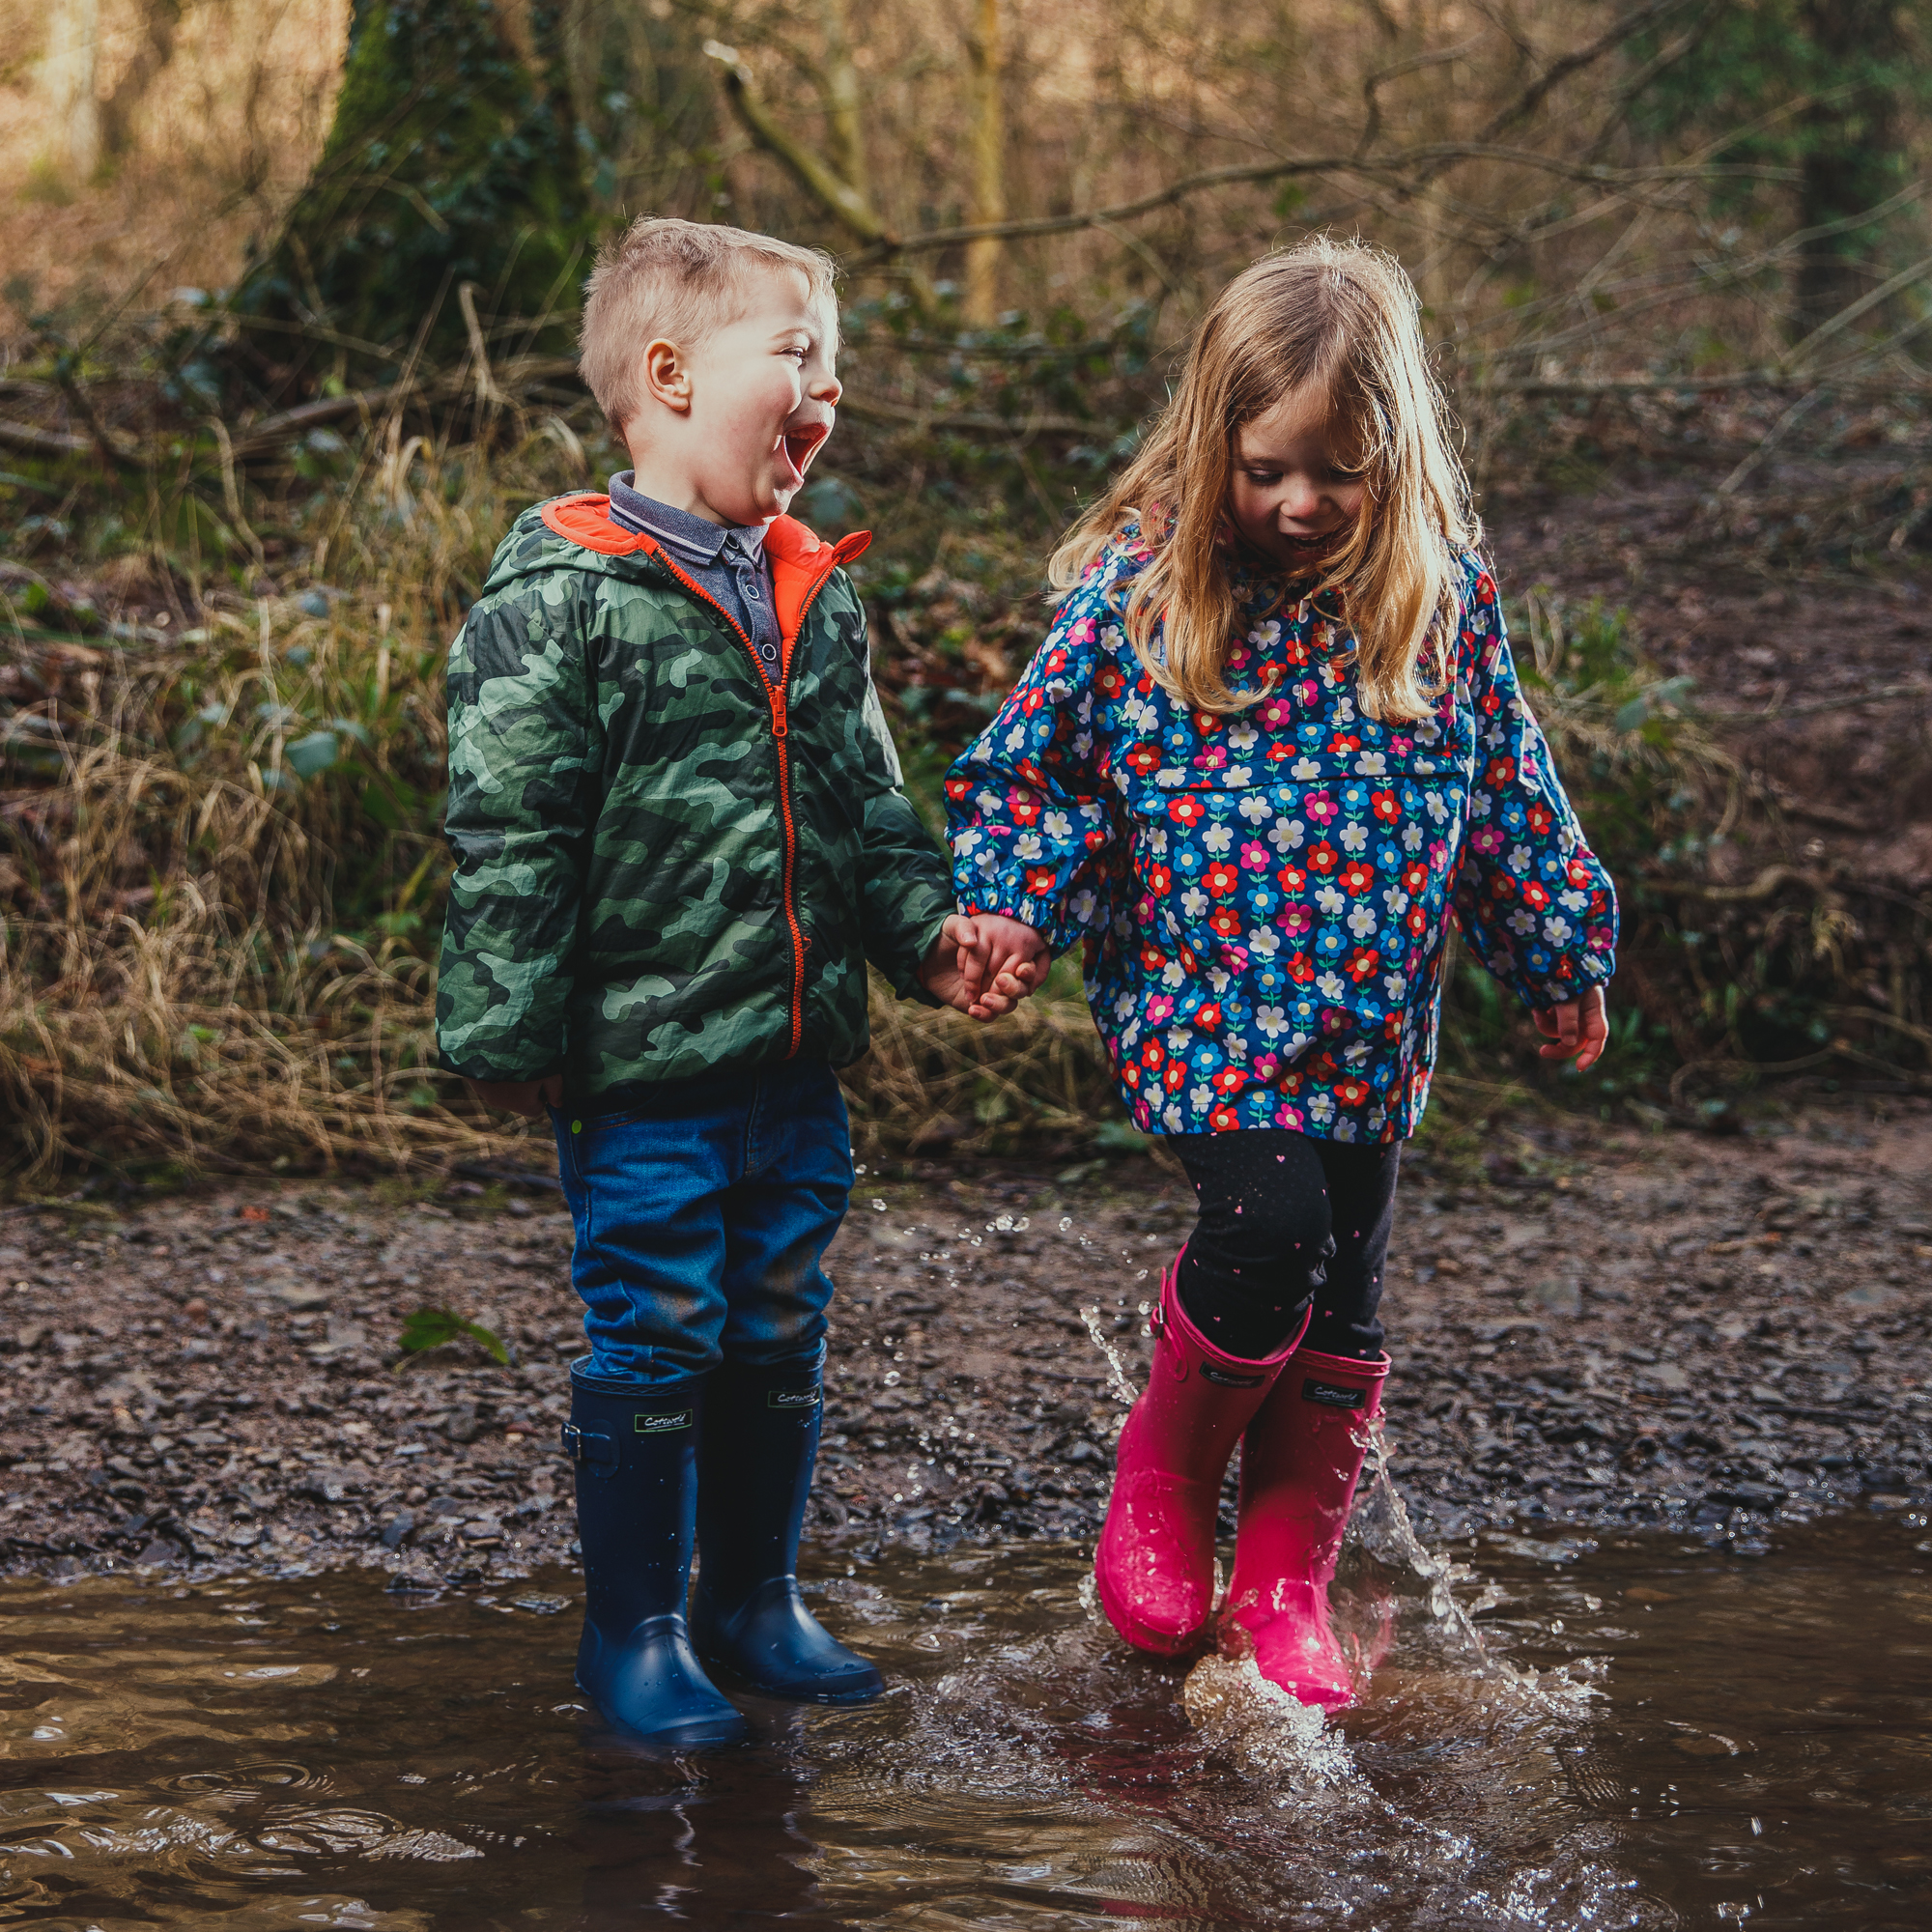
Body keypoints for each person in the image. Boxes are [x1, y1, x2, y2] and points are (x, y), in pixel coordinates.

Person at [946, 236, 1617, 1711]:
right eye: (1267, 469)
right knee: (1272, 1220)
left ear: (1400, 455)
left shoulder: (1442, 606)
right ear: (1213, 445)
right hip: (1205, 1014)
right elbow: (1032, 783)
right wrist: (1007, 912)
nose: (1301, 502)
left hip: (1372, 1034)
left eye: (1339, 471)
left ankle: (1284, 1580)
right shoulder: (1149, 596)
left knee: (1350, 1285)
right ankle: (1168, 1484)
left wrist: (1559, 948)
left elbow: (1506, 792)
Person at [437, 216, 1045, 1748]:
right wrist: (506, 1034)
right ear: (667, 375)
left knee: (780, 1319)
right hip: (638, 1073)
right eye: (796, 357)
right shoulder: (560, 596)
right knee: (658, 1329)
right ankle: (630, 1634)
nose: (825, 392)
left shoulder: (808, 586)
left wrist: (932, 933)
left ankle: (749, 1603)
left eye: (833, 369)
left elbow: (869, 805)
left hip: (792, 1065)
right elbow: (509, 828)